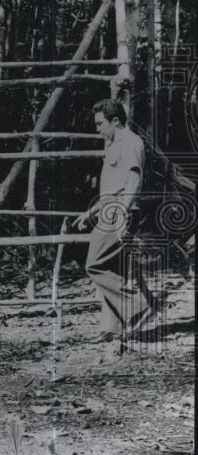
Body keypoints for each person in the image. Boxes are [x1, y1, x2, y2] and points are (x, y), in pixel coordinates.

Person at [74, 99, 154, 342]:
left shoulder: (130, 142)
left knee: (94, 264)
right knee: (113, 270)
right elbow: (113, 187)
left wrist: (123, 212)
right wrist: (90, 212)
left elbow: (133, 181)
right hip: (111, 209)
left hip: (118, 212)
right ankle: (113, 328)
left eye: (101, 124)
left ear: (115, 121)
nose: (98, 129)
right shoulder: (114, 144)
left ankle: (138, 306)